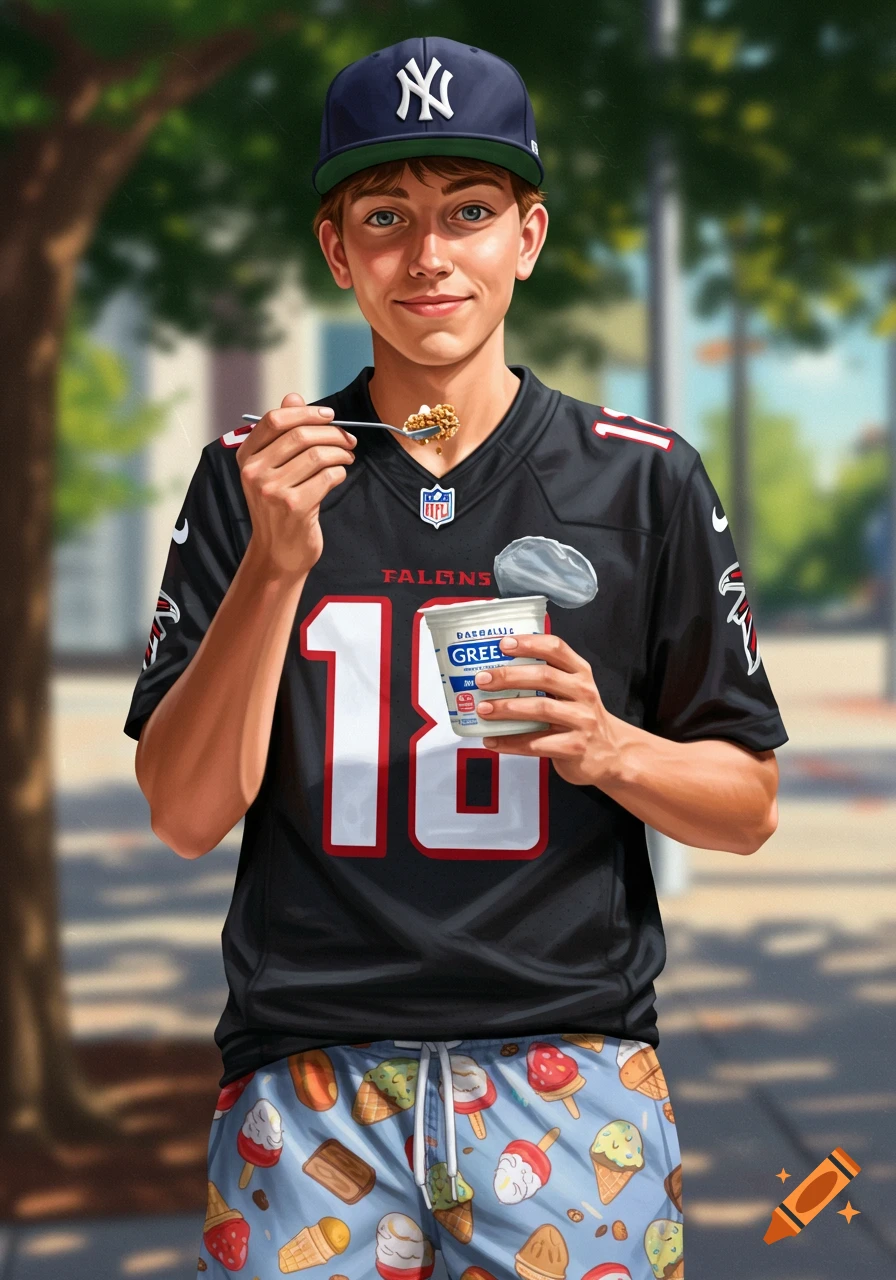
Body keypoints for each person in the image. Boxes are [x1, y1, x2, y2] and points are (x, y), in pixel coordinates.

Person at [124, 35, 787, 1280]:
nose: (427, 255)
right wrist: (273, 564)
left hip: (569, 1068)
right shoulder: (252, 476)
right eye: (385, 215)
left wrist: (608, 745)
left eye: (468, 211)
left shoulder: (641, 480)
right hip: (305, 1077)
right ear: (336, 250)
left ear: (526, 236)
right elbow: (183, 811)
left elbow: (745, 804)